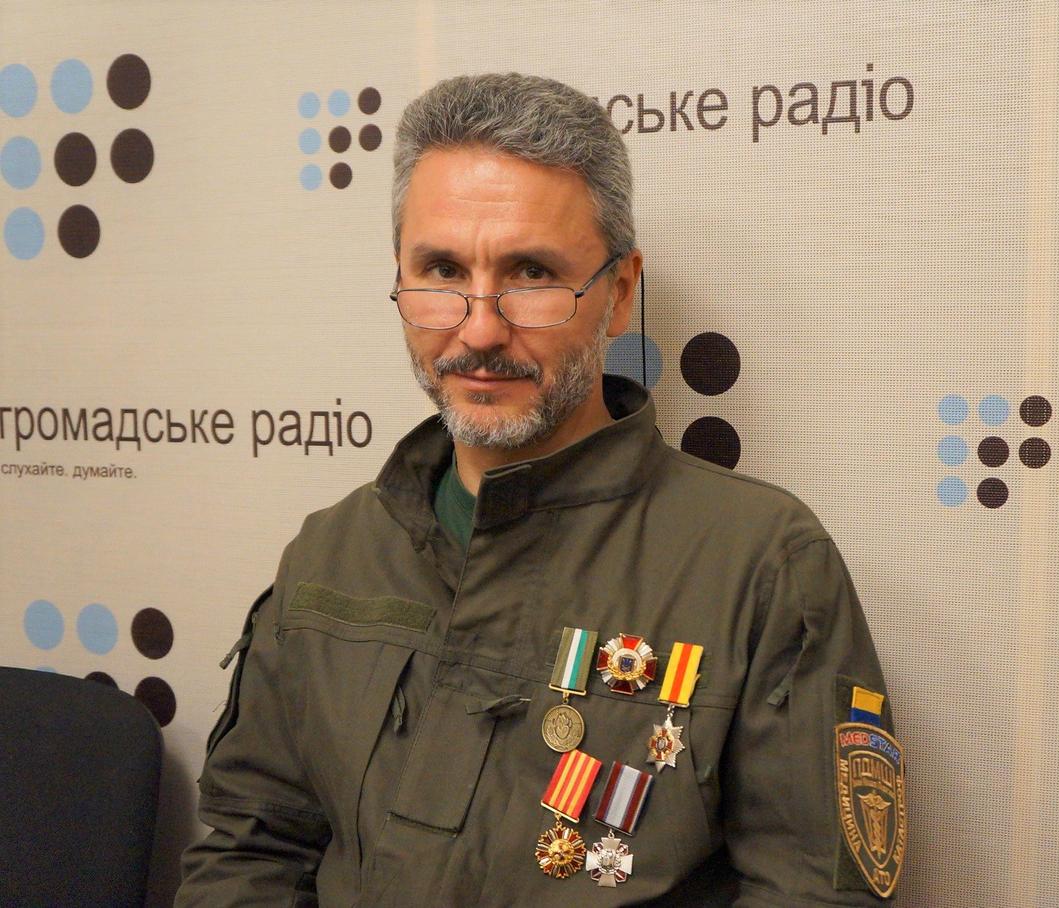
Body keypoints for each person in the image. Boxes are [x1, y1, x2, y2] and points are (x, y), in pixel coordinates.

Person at [177, 72, 904, 906]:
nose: (481, 328)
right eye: (442, 270)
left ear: (619, 295)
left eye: (530, 274)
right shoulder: (331, 553)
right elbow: (248, 853)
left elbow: (816, 894)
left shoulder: (763, 567)